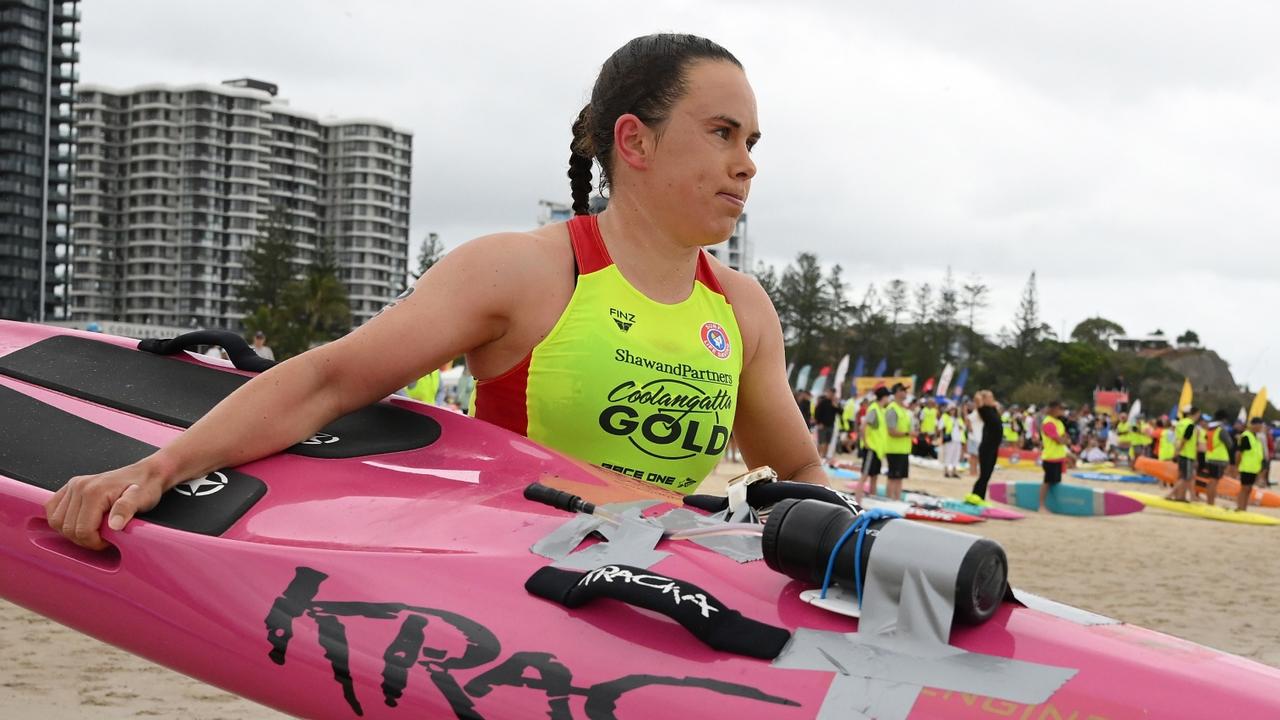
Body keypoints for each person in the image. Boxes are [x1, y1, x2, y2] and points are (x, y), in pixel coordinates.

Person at [45, 34, 831, 551]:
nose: (747, 164)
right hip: (515, 588)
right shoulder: (524, 272)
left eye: (752, 142)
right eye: (722, 133)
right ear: (635, 140)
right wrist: (159, 467)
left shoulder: (740, 308)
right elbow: (328, 381)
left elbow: (795, 466)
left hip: (647, 593)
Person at [967, 390, 1002, 505]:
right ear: (984, 399)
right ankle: (975, 496)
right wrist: (981, 395)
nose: (993, 399)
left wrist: (993, 403)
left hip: (994, 446)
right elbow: (977, 398)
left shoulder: (993, 409)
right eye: (990, 397)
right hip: (987, 447)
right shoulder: (983, 410)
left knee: (988, 474)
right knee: (984, 474)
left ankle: (980, 497)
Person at [857, 386, 890, 505]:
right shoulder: (874, 409)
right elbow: (863, 427)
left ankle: (871, 501)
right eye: (887, 396)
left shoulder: (882, 410)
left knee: (875, 477)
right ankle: (858, 502)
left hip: (878, 450)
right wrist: (866, 444)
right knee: (864, 476)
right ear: (884, 397)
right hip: (871, 449)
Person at [1038, 401, 1072, 512]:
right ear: (1053, 409)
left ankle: (1052, 504)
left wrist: (1063, 440)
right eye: (1060, 409)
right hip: (1050, 456)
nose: (1062, 411)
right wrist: (1063, 440)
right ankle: (1041, 505)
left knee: (1056, 482)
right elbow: (1059, 440)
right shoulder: (1048, 422)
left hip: (1059, 456)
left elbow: (1065, 439)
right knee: (1047, 481)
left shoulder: (1059, 422)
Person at [882, 383, 912, 500]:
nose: (905, 392)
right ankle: (889, 500)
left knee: (900, 478)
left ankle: (897, 500)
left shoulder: (903, 409)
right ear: (896, 392)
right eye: (903, 390)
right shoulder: (892, 409)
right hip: (894, 449)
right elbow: (891, 431)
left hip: (903, 449)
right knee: (893, 477)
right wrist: (908, 434)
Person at [1201, 410, 1234, 505]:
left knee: (1211, 481)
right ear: (1224, 419)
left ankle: (1209, 502)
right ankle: (1211, 503)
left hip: (1209, 457)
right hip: (1219, 459)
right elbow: (1230, 444)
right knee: (1214, 482)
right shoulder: (1221, 430)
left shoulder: (1209, 428)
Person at [1234, 417, 1266, 511]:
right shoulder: (1246, 436)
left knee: (1249, 489)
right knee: (1244, 488)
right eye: (1259, 426)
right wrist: (1237, 466)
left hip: (1254, 468)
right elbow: (1239, 453)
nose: (1260, 428)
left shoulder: (1256, 437)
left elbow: (1258, 454)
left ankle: (1244, 508)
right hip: (1246, 467)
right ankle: (1239, 507)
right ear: (1254, 425)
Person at [1168, 406, 1200, 502]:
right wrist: (1179, 451)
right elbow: (1185, 439)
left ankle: (1180, 496)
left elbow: (1178, 438)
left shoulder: (1180, 423)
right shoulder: (1190, 424)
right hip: (1187, 454)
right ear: (1195, 413)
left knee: (1182, 476)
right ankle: (1170, 494)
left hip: (1181, 453)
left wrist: (1176, 451)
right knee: (1186, 478)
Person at [940, 402, 966, 478]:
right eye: (951, 409)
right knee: (948, 455)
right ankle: (946, 471)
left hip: (958, 439)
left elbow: (963, 428)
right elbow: (940, 426)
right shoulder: (945, 417)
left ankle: (954, 471)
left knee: (956, 456)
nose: (953, 411)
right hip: (950, 439)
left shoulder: (958, 419)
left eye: (954, 410)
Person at [813, 387, 837, 451]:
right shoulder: (823, 402)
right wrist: (818, 423)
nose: (831, 395)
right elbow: (817, 412)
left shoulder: (834, 403)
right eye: (830, 393)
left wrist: (835, 406)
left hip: (831, 425)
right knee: (821, 442)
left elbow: (841, 412)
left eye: (833, 394)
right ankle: (819, 457)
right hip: (822, 425)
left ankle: (824, 457)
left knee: (827, 442)